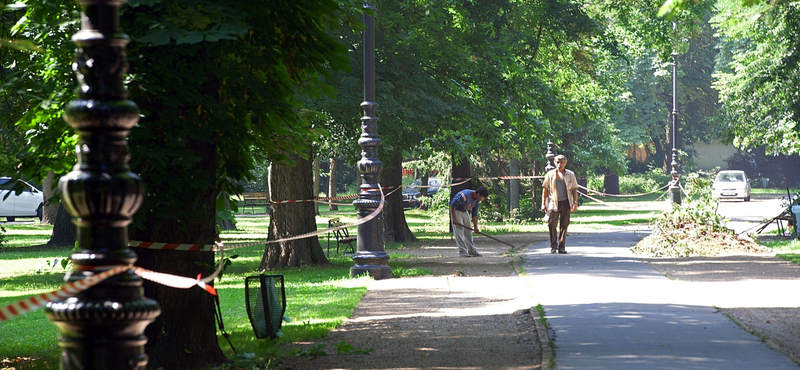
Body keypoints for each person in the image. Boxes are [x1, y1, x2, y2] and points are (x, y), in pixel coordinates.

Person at [541, 154, 579, 254]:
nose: (559, 164)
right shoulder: (550, 174)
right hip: (554, 202)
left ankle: (562, 247)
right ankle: (553, 245)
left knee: (564, 225)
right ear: (555, 163)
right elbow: (545, 189)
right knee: (552, 223)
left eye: (562, 162)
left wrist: (575, 202)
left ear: (565, 163)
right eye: (558, 162)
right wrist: (543, 204)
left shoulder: (570, 174)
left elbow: (574, 189)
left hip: (566, 202)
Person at [449, 186, 489, 257]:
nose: (483, 199)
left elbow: (474, 214)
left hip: (465, 211)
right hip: (456, 210)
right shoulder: (464, 196)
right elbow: (452, 205)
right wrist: (454, 218)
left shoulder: (478, 200)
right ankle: (462, 251)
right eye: (482, 197)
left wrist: (476, 227)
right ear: (478, 194)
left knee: (468, 230)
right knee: (459, 230)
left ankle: (472, 250)